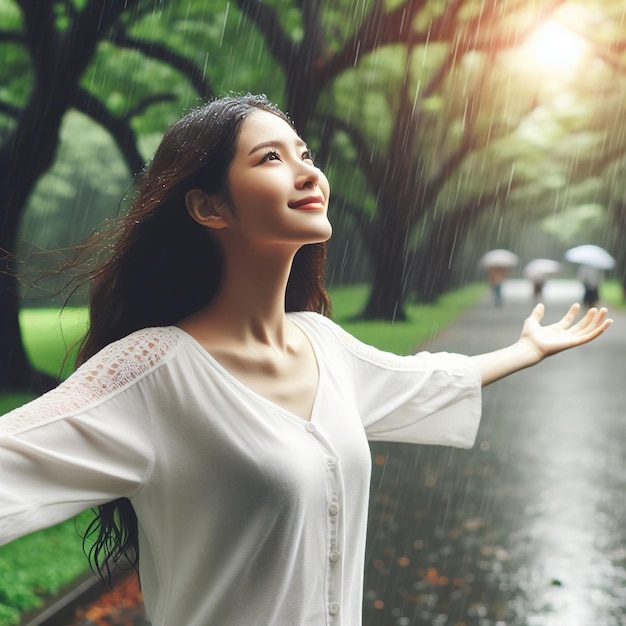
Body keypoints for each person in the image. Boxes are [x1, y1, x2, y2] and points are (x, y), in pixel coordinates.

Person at [0, 94, 612, 626]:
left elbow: (419, 380)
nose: (308, 173)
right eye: (271, 158)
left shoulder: (322, 343)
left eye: (306, 155)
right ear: (209, 207)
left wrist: (525, 349)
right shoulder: (154, 373)